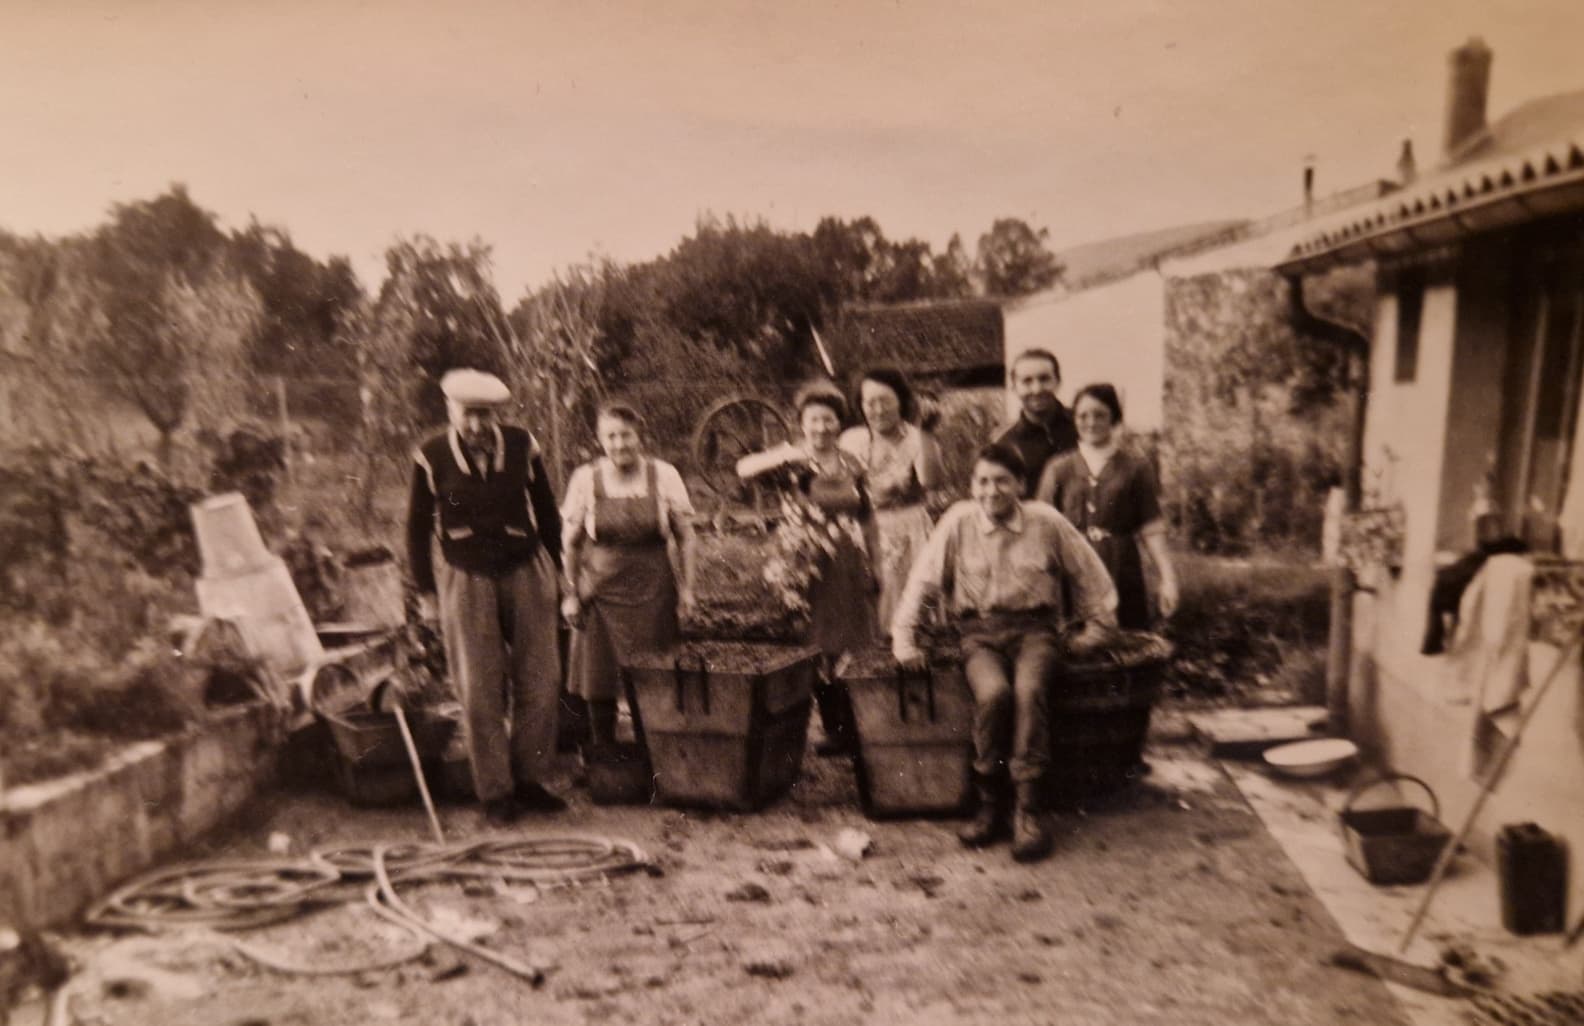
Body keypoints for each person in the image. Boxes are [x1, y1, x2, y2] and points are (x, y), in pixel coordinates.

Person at [891, 443, 1118, 863]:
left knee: (1031, 692)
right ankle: (989, 805)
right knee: (994, 694)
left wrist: (1098, 630)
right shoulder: (959, 521)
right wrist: (904, 640)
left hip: (1036, 632)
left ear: (1020, 485)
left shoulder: (1046, 522)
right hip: (980, 635)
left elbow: (1090, 576)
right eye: (982, 481)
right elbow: (923, 581)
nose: (991, 491)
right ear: (971, 485)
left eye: (1001, 481)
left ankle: (1027, 812)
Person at [406, 368, 567, 824]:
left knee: (541, 679)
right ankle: (496, 792)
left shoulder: (522, 445)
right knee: (479, 687)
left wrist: (557, 570)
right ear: (450, 411)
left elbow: (548, 511)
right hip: (465, 576)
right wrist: (426, 594)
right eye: (467, 415)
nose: (476, 426)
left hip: (526, 568)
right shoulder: (431, 455)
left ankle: (531, 779)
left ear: (498, 414)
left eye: (485, 415)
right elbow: (416, 530)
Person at [737, 380, 882, 754]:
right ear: (802, 422)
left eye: (829, 420)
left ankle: (849, 729)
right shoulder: (793, 461)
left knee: (850, 642)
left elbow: (867, 517)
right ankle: (828, 728)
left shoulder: (853, 463)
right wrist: (783, 457)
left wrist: (876, 563)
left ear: (839, 422)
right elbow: (744, 469)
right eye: (814, 420)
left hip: (847, 559)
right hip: (806, 562)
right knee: (816, 644)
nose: (822, 428)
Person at [561, 401, 698, 747]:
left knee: (654, 674)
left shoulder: (664, 475)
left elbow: (686, 536)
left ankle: (652, 750)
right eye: (611, 436)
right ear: (600, 440)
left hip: (653, 592)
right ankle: (602, 753)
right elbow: (571, 543)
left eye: (626, 435)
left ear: (640, 437)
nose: (619, 444)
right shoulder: (585, 479)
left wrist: (687, 590)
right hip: (601, 593)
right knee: (598, 676)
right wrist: (572, 593)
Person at [1035, 383, 1179, 630]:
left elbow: (1151, 527)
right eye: (1083, 415)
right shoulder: (1059, 467)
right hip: (1072, 569)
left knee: (1125, 643)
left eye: (1100, 414)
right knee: (1073, 642)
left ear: (1114, 416)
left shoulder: (1135, 466)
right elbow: (1040, 528)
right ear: (1074, 419)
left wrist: (1168, 578)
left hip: (1122, 568)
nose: (1091, 422)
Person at [838, 366, 945, 630]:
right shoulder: (853, 439)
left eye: (885, 401)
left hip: (909, 530)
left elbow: (931, 482)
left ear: (902, 401)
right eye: (870, 402)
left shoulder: (917, 438)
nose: (878, 409)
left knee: (909, 607)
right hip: (864, 528)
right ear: (861, 406)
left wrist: (927, 434)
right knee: (867, 604)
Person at [992, 348, 1078, 497]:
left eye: (1044, 379)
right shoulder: (1004, 443)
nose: (1037, 389)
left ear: (1057, 381)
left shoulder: (1083, 425)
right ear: (1014, 387)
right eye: (1027, 381)